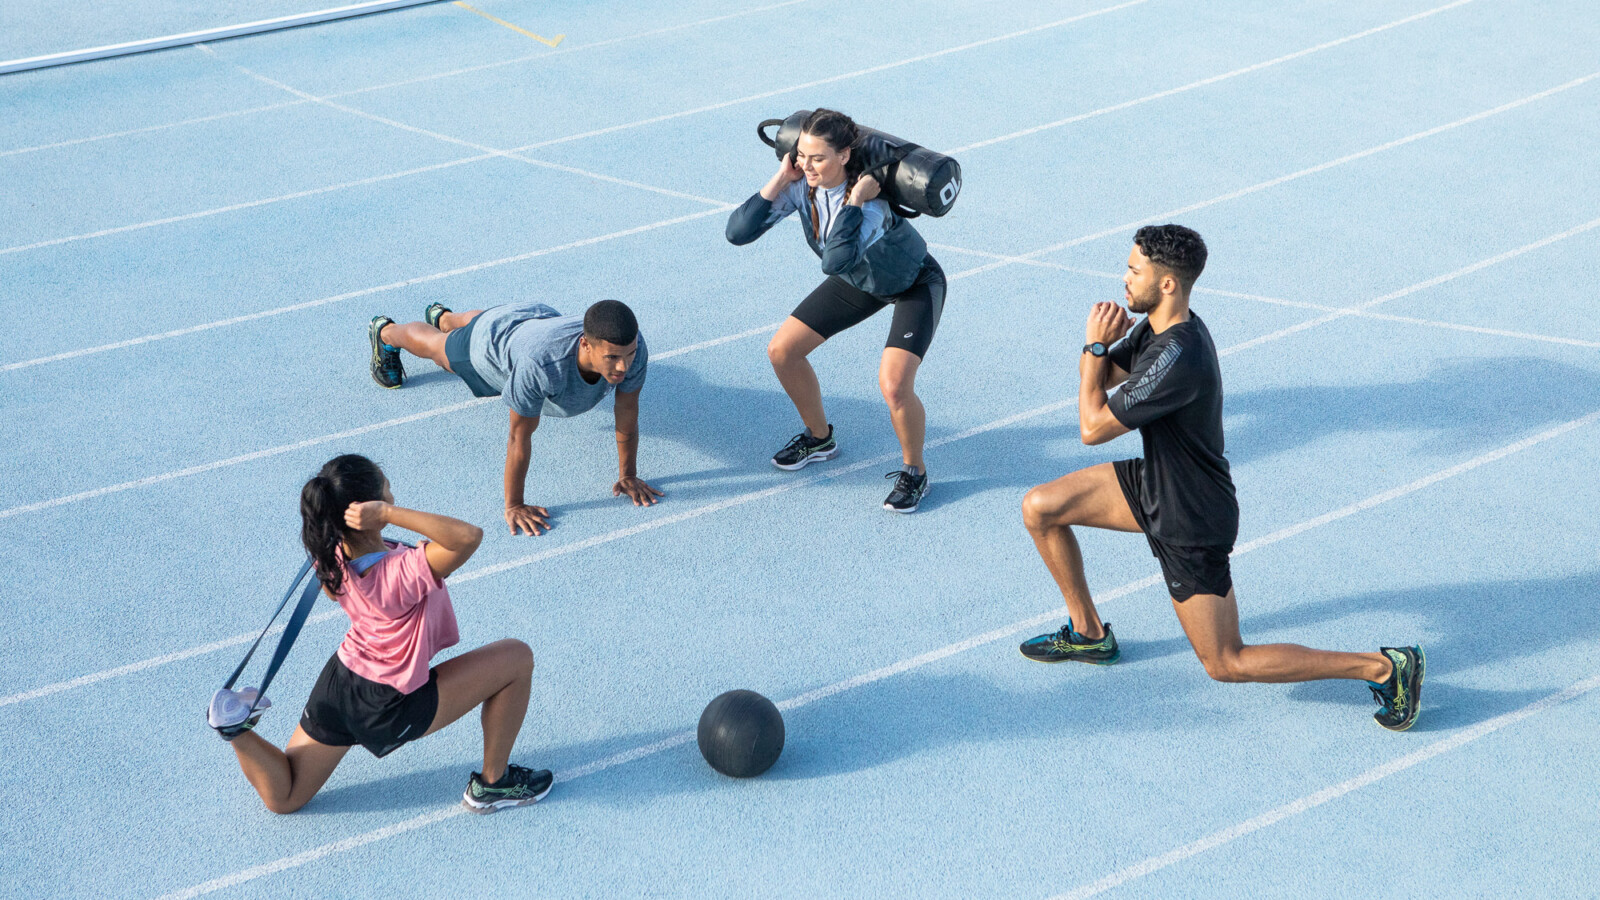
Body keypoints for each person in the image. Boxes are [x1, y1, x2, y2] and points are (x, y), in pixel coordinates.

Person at [1017, 224, 1424, 730]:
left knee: (1225, 661)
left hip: (1190, 516)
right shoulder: (1158, 331)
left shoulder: (1177, 356)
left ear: (1167, 284)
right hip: (1156, 484)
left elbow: (1092, 425)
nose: (1124, 280)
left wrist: (1095, 348)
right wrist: (1101, 356)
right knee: (1041, 507)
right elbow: (1109, 381)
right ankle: (1089, 633)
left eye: (1134, 271)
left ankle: (1384, 668)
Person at [220, 454, 552, 813]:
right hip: (389, 703)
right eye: (386, 490)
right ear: (370, 509)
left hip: (341, 683)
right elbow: (468, 538)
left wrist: (377, 522)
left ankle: (235, 729)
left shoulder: (330, 556)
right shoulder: (400, 574)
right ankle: (493, 784)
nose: (391, 495)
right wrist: (390, 515)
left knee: (285, 798)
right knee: (517, 657)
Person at [726, 108, 946, 513]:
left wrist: (857, 200)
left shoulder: (872, 206)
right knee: (782, 352)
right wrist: (781, 178)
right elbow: (737, 232)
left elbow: (835, 259)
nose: (808, 166)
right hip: (860, 282)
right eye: (802, 156)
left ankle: (915, 473)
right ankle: (819, 437)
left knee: (894, 386)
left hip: (912, 283)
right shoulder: (799, 185)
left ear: (844, 156)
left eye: (818, 158)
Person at [368, 298, 662, 535]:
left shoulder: (632, 346)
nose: (623, 367)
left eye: (629, 355)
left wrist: (628, 475)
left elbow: (627, 412)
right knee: (439, 350)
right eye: (612, 358)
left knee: (485, 323)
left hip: (530, 320)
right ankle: (386, 332)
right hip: (491, 344)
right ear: (586, 344)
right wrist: (515, 504)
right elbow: (518, 437)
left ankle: (445, 318)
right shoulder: (540, 366)